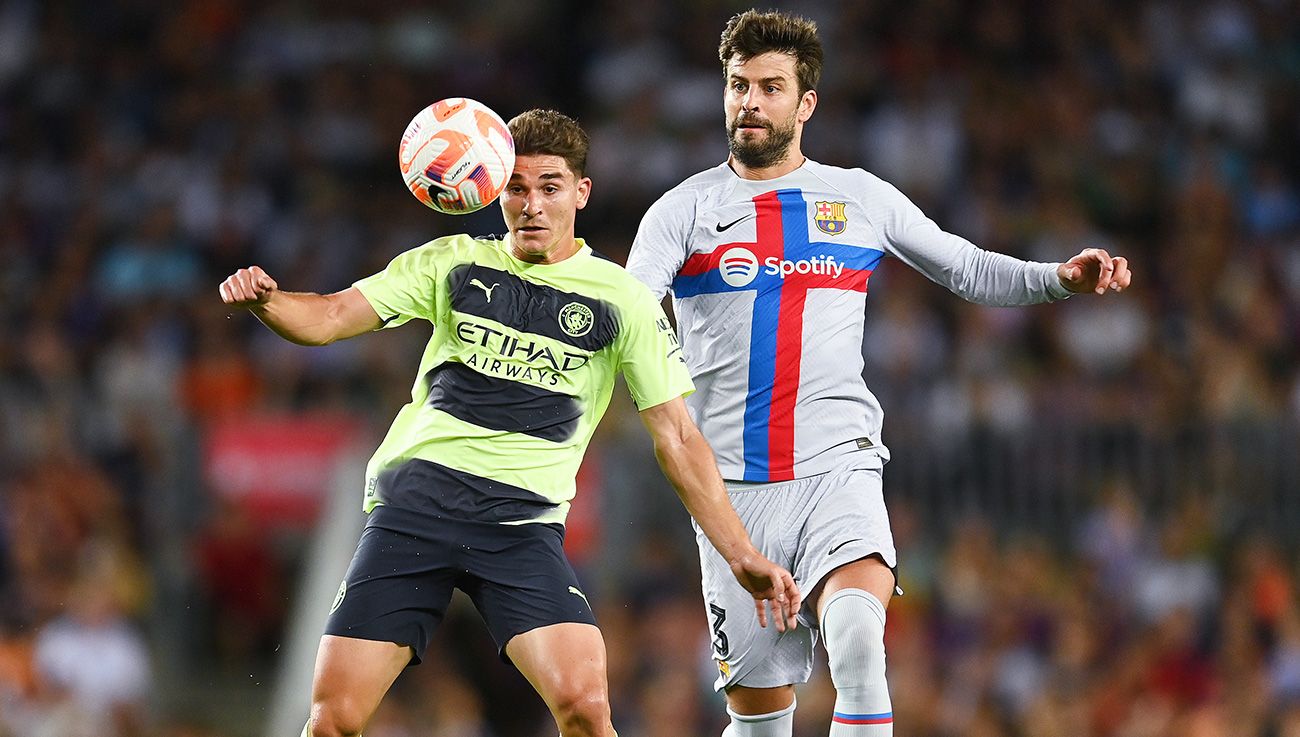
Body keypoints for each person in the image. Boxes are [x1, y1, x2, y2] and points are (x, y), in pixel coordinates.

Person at [626, 10, 1133, 737]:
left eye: (771, 87)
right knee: (762, 718)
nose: (750, 102)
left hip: (840, 468)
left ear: (806, 104)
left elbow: (964, 266)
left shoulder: (858, 197)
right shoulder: (681, 211)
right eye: (739, 84)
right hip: (733, 488)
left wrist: (1059, 278)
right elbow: (631, 308)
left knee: (860, 642)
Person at [219, 108, 801, 737]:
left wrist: (741, 553)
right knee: (333, 720)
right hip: (415, 509)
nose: (532, 205)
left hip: (519, 527)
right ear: (494, 190)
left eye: (550, 187)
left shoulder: (622, 298)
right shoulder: (452, 261)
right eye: (516, 188)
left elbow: (678, 436)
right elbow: (330, 317)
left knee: (585, 707)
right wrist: (269, 301)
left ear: (581, 193)